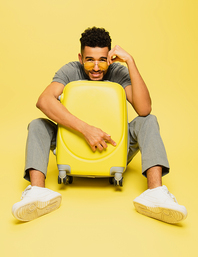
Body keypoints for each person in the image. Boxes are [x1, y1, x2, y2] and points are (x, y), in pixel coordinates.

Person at [12, 27, 187, 223]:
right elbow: (44, 100)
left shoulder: (118, 72)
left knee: (149, 121)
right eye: (90, 60)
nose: (96, 67)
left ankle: (155, 193)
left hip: (115, 146)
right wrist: (87, 130)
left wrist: (130, 61)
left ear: (109, 58)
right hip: (72, 144)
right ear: (81, 58)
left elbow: (144, 109)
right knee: (37, 124)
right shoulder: (70, 70)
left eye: (102, 60)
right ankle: (37, 192)